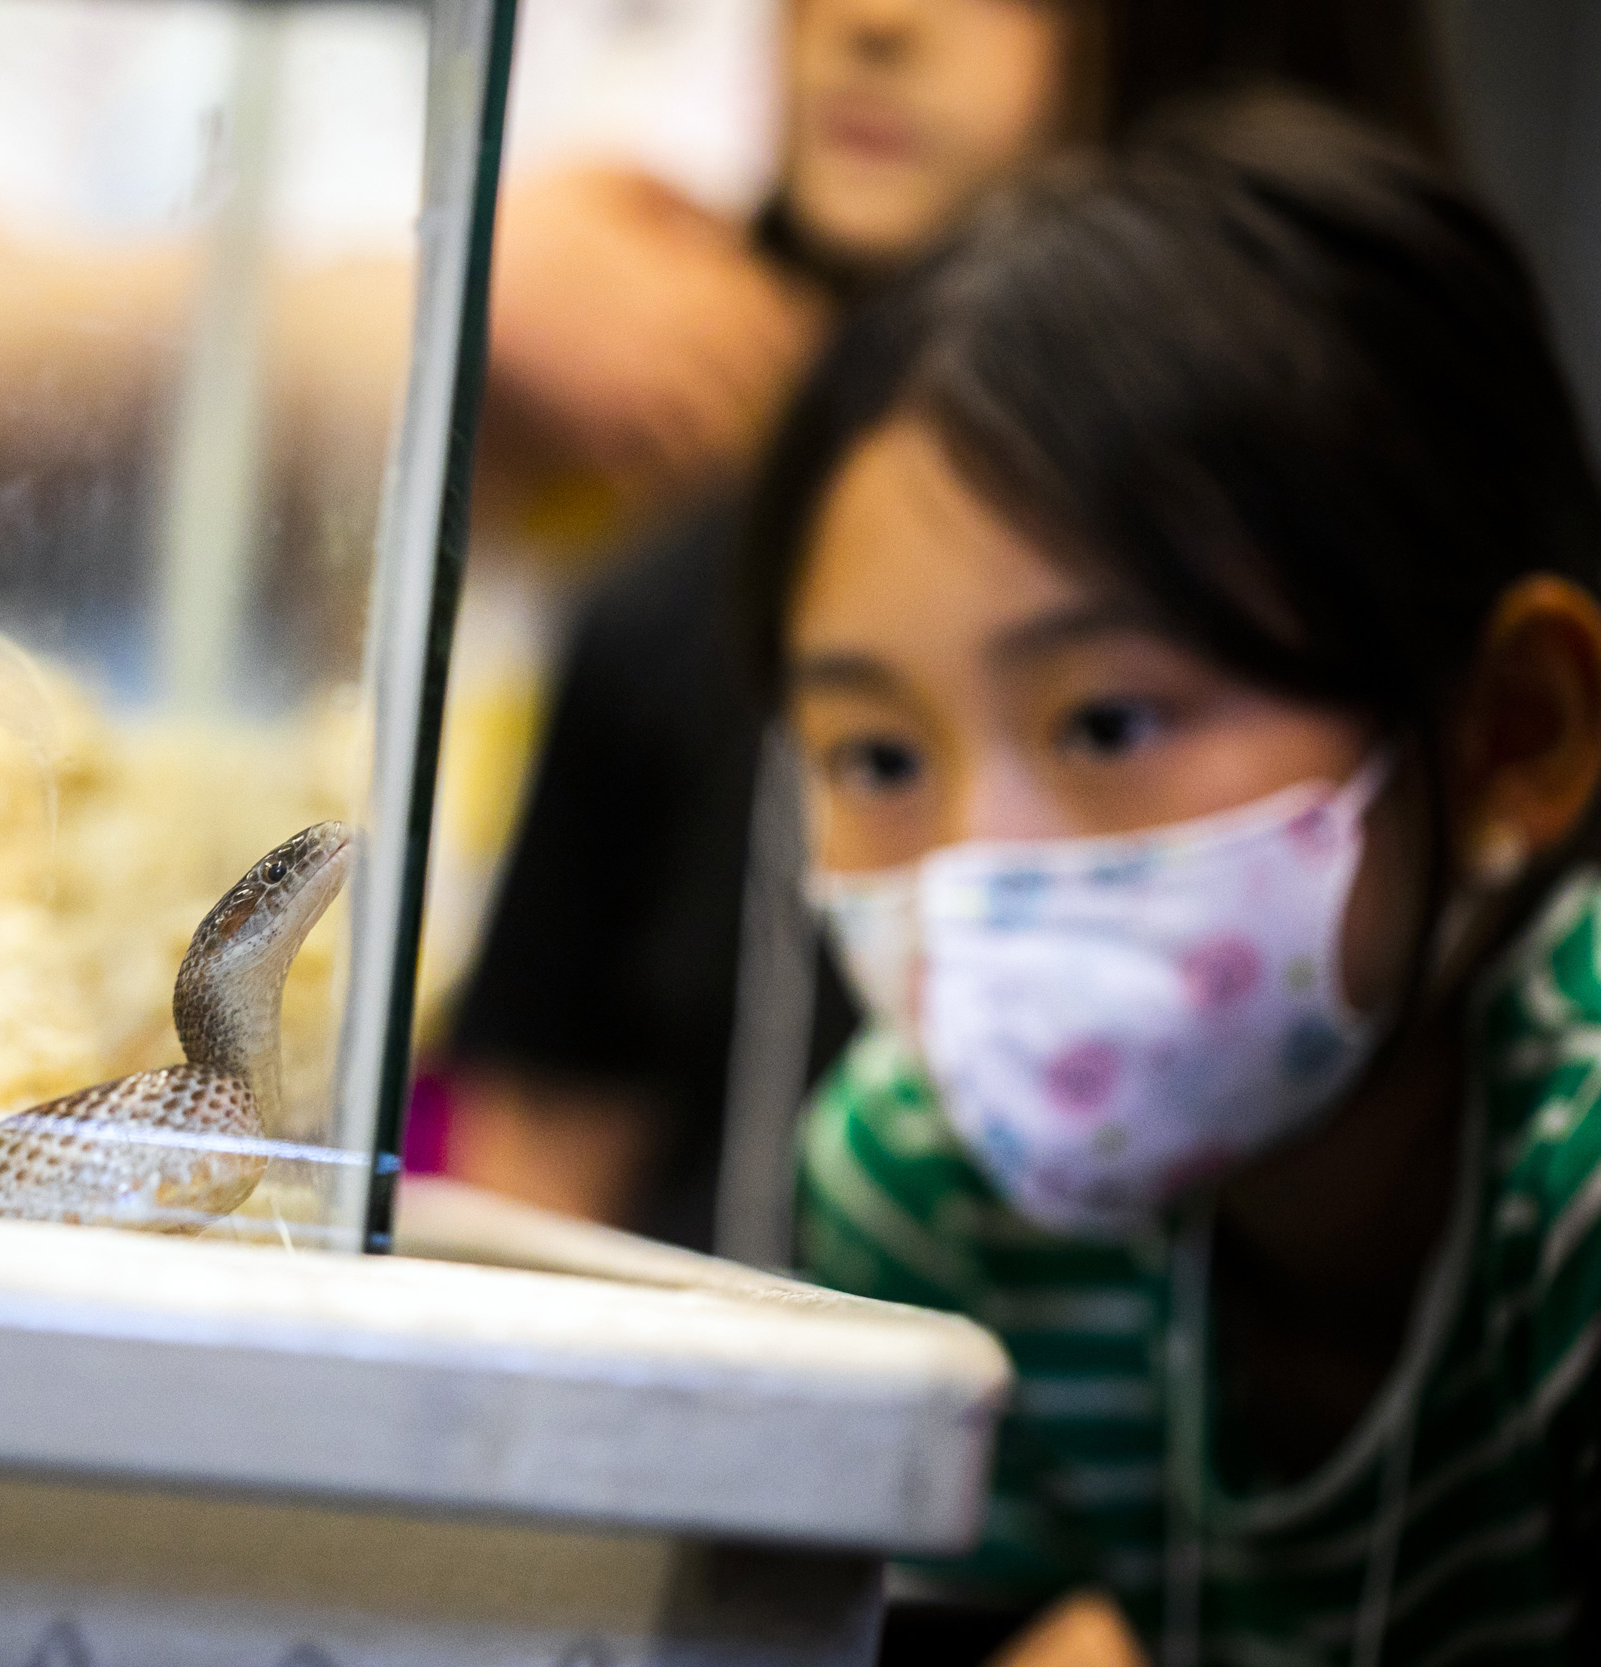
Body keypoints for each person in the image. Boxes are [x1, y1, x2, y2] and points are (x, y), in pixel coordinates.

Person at [766, 95, 1601, 1664]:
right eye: (878, 758)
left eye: (1108, 721)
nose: (975, 873)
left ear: (1510, 736)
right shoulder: (933, 1189)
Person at [443, 0, 1448, 1253]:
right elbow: (529, 1181)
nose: (868, 20)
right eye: (873, 754)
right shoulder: (662, 594)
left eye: (1107, 720)